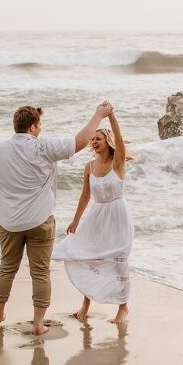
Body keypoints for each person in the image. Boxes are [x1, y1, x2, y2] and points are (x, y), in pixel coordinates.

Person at [0, 101, 114, 335]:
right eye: (39, 125)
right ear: (32, 128)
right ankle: (39, 324)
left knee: (7, 268)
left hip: (9, 223)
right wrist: (99, 115)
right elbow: (81, 142)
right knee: (40, 272)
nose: (40, 129)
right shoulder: (45, 147)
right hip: (40, 222)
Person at [52, 111, 133, 324]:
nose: (94, 141)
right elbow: (85, 196)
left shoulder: (118, 162)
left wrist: (112, 116)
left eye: (99, 138)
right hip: (96, 217)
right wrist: (75, 220)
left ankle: (123, 308)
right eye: (93, 139)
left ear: (108, 141)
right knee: (87, 256)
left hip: (118, 217)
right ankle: (86, 303)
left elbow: (119, 137)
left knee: (118, 262)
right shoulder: (88, 167)